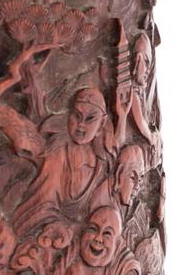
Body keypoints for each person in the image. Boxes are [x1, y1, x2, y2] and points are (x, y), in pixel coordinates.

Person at [12, 87, 114, 240]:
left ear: (102, 123)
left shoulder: (102, 164)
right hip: (52, 234)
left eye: (90, 119)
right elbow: (42, 202)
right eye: (76, 116)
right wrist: (61, 226)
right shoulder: (58, 153)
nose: (81, 125)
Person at [90, 144, 146, 217]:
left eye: (140, 179)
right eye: (132, 178)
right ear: (119, 173)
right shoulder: (103, 204)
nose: (137, 186)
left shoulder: (117, 196)